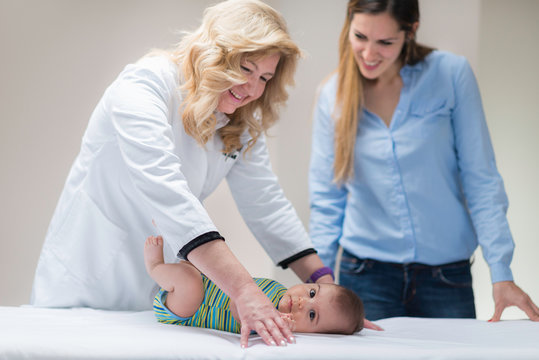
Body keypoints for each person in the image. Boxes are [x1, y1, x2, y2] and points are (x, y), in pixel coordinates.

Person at [30, 0, 336, 348]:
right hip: (91, 272)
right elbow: (168, 192)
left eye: (265, 77)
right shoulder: (144, 86)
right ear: (215, 52)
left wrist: (324, 282)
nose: (253, 89)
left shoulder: (238, 118)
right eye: (247, 68)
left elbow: (265, 202)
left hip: (162, 288)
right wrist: (244, 290)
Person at [309, 0, 539, 322]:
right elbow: (326, 200)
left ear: (411, 31)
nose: (369, 54)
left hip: (446, 278)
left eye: (385, 42)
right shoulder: (332, 95)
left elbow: (481, 178)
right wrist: (318, 286)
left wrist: (501, 272)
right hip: (364, 275)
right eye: (360, 36)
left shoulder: (451, 75)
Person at [145, 235, 364, 336]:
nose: (301, 302)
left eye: (312, 315)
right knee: (199, 261)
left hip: (189, 311)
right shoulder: (278, 289)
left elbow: (238, 309)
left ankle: (155, 265)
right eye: (312, 293)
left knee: (189, 281)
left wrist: (276, 326)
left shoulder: (272, 324)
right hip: (206, 288)